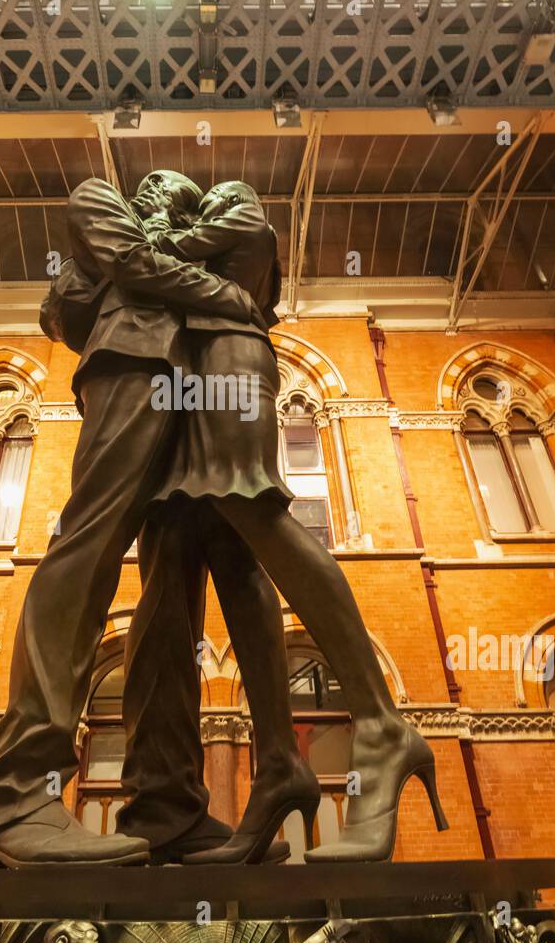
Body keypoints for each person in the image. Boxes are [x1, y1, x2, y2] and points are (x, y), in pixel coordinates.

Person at [122, 181, 447, 864]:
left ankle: (384, 727)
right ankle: (277, 764)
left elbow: (150, 255)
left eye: (169, 189)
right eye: (149, 189)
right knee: (229, 550)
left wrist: (144, 235)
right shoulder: (210, 251)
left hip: (231, 367)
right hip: (195, 380)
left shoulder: (238, 211)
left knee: (252, 503)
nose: (159, 196)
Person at [0, 170, 262, 867]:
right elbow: (115, 275)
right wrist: (228, 294)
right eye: (165, 189)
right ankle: (14, 794)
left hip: (194, 389)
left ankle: (166, 805)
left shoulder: (179, 241)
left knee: (174, 594)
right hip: (130, 366)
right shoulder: (96, 197)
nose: (172, 200)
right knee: (87, 546)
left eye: (186, 200)